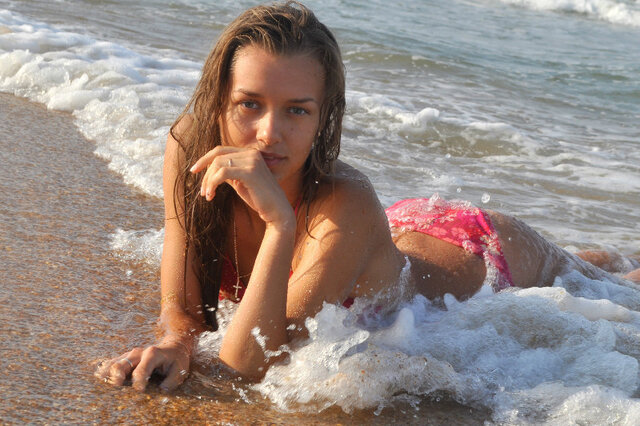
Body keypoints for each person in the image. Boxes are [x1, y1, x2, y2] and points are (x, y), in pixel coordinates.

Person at [95, 1, 640, 392]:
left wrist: (281, 224)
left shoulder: (344, 204)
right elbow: (182, 310)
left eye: (297, 110)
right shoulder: (188, 149)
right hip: (394, 231)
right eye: (249, 104)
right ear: (219, 99)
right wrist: (176, 342)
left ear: (323, 118)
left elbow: (249, 362)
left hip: (479, 252)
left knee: (613, 284)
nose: (268, 134)